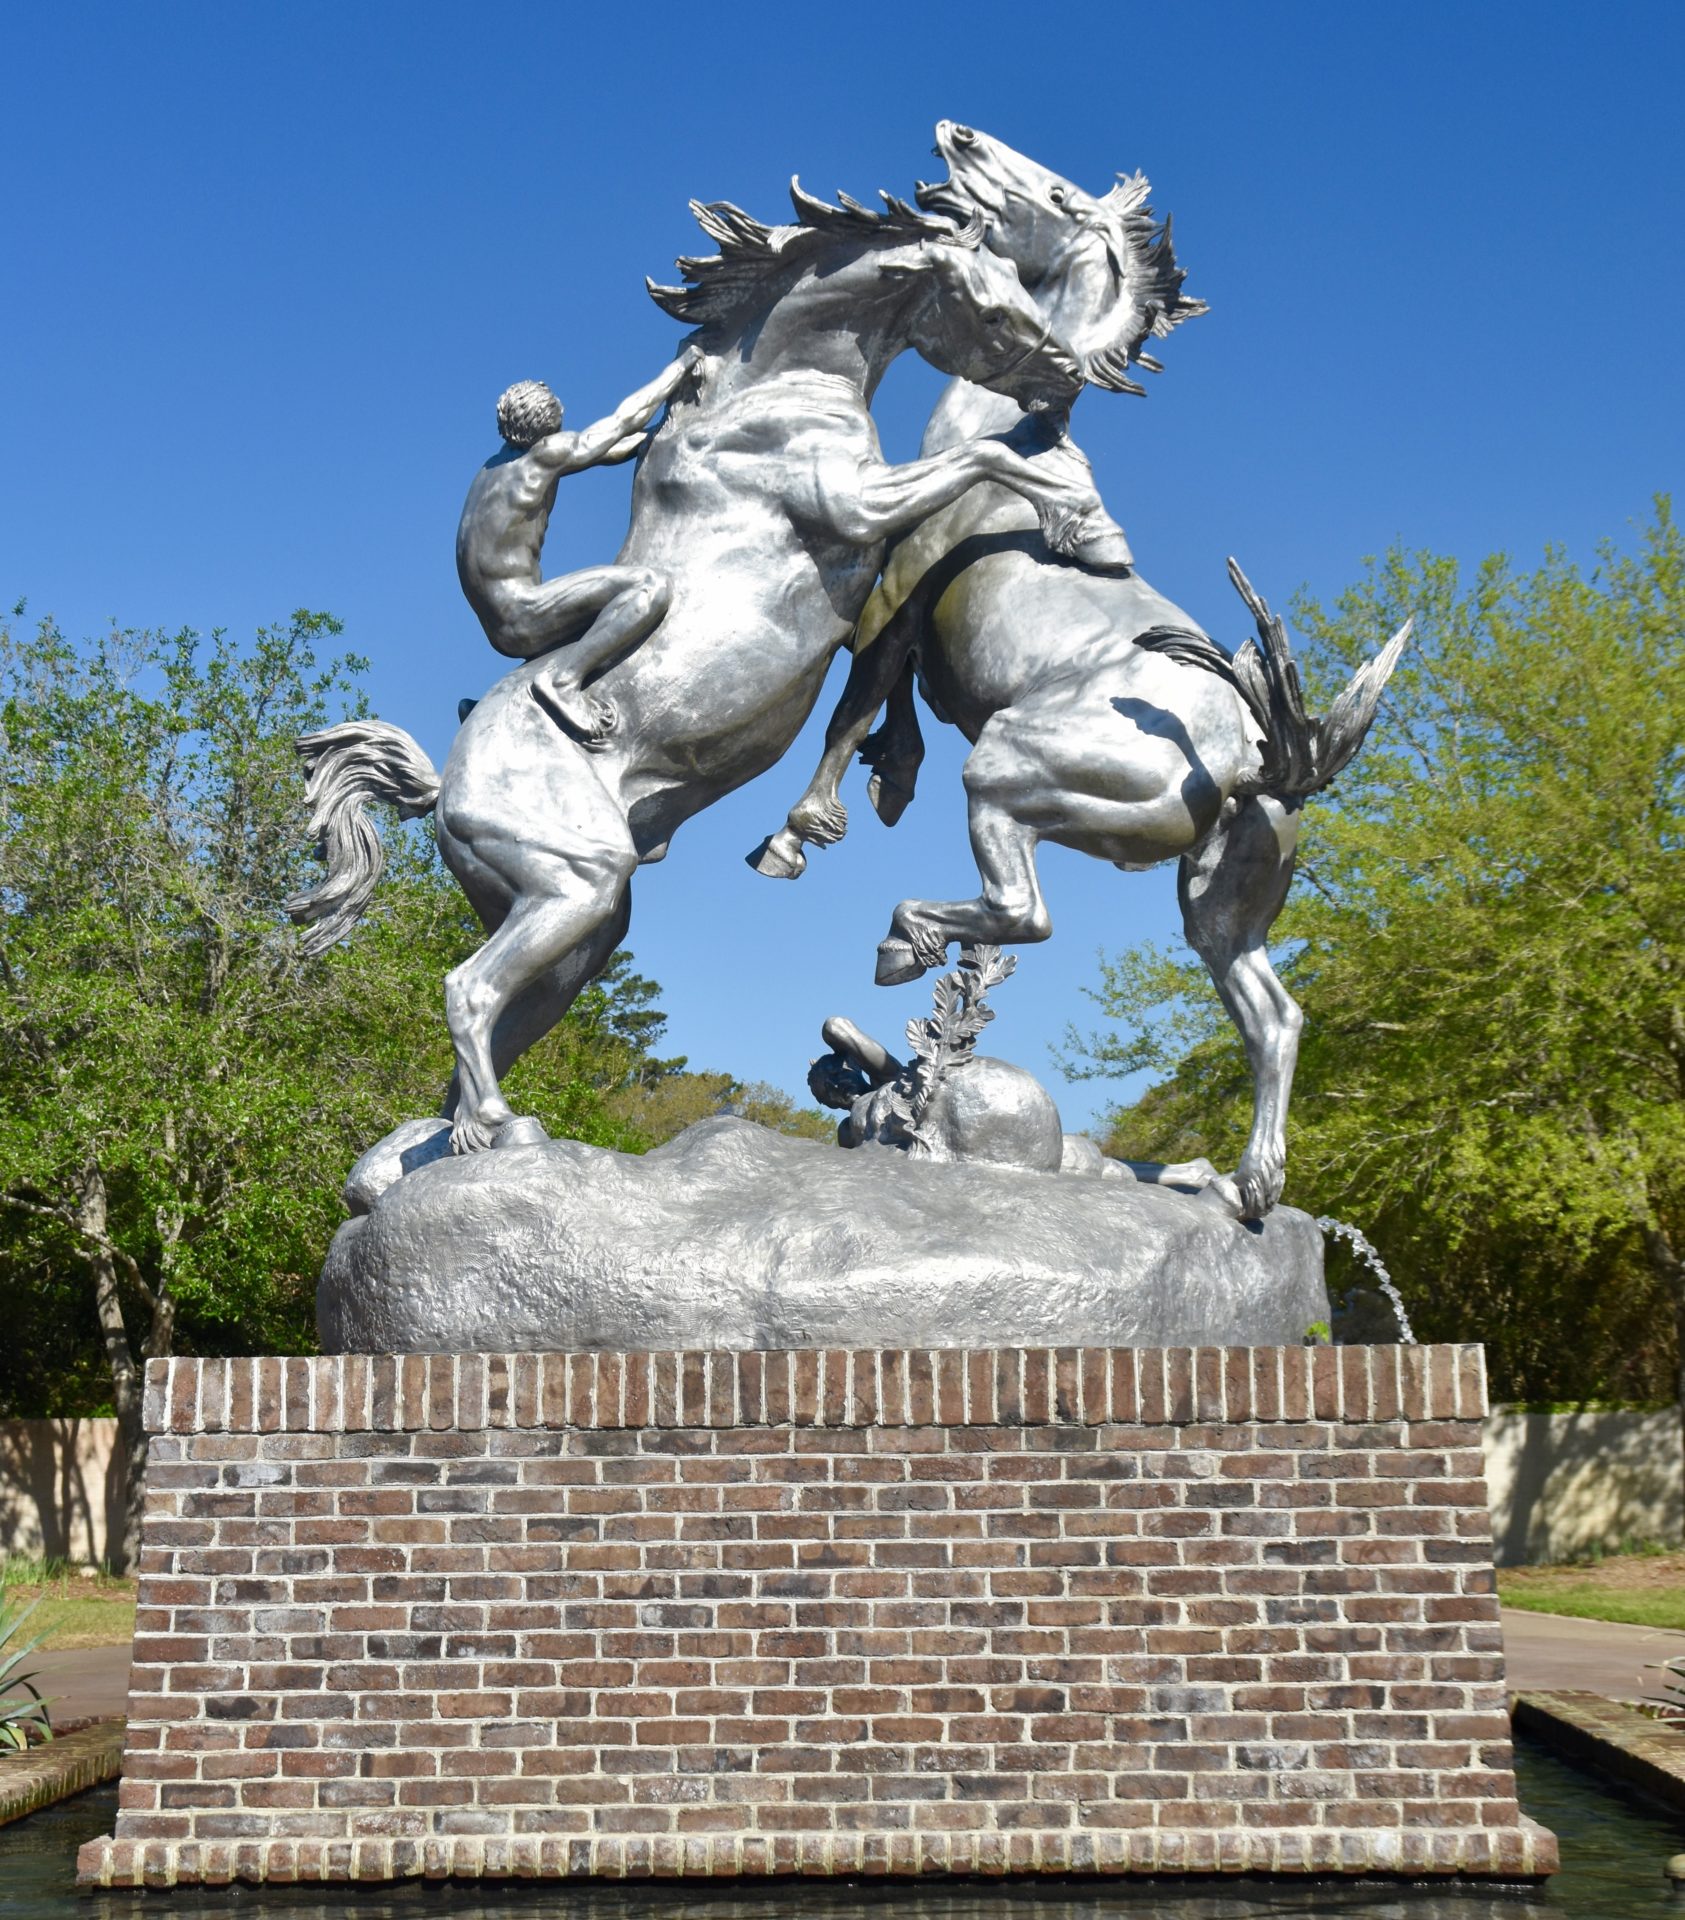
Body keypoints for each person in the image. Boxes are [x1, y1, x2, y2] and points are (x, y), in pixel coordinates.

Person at [456, 348, 700, 742]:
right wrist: (680, 369)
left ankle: (487, 704)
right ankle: (565, 683)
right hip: (522, 612)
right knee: (647, 589)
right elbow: (622, 423)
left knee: (594, 618)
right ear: (548, 422)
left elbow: (606, 448)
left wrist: (655, 438)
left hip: (497, 622)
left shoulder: (492, 470)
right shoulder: (545, 455)